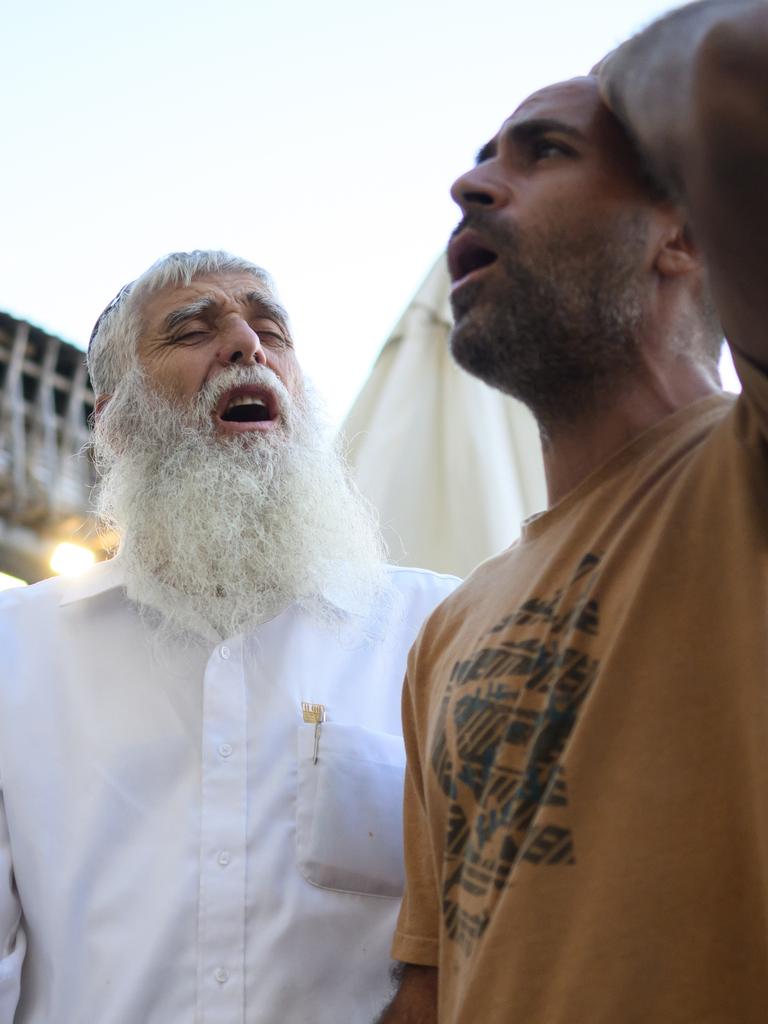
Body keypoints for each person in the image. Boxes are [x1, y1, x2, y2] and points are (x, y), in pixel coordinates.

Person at [378, 2, 768, 1021]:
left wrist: (633, 75)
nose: (466, 186)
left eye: (544, 151)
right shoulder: (449, 630)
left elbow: (738, 63)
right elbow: (434, 981)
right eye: (478, 158)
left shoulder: (749, 463)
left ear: (684, 234)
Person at [0, 250, 458, 1023]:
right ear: (114, 421)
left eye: (270, 327)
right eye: (190, 330)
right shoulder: (17, 651)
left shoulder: (437, 633)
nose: (248, 344)